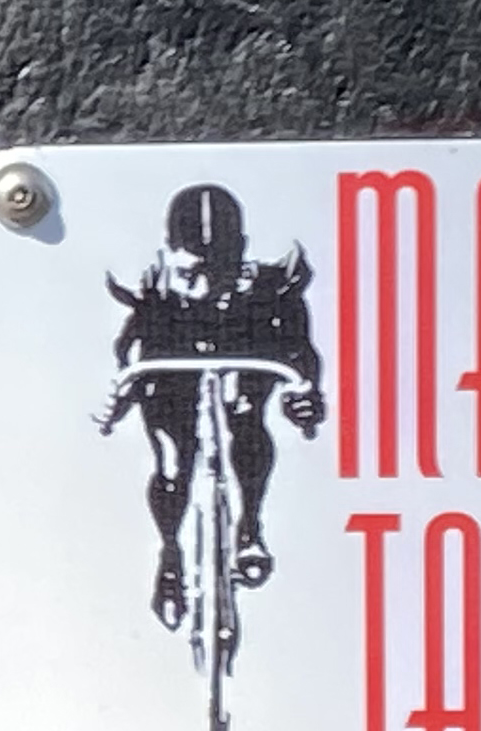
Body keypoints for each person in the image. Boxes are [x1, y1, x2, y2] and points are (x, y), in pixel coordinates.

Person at [98, 184, 328, 632]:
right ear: (170, 254)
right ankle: (170, 553)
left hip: (243, 367)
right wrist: (119, 392)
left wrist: (304, 393)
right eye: (192, 273)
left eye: (218, 272)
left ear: (239, 254)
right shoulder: (153, 289)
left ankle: (250, 526)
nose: (204, 286)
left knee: (245, 414)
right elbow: (130, 349)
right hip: (171, 375)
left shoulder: (269, 287)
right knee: (171, 465)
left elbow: (300, 349)